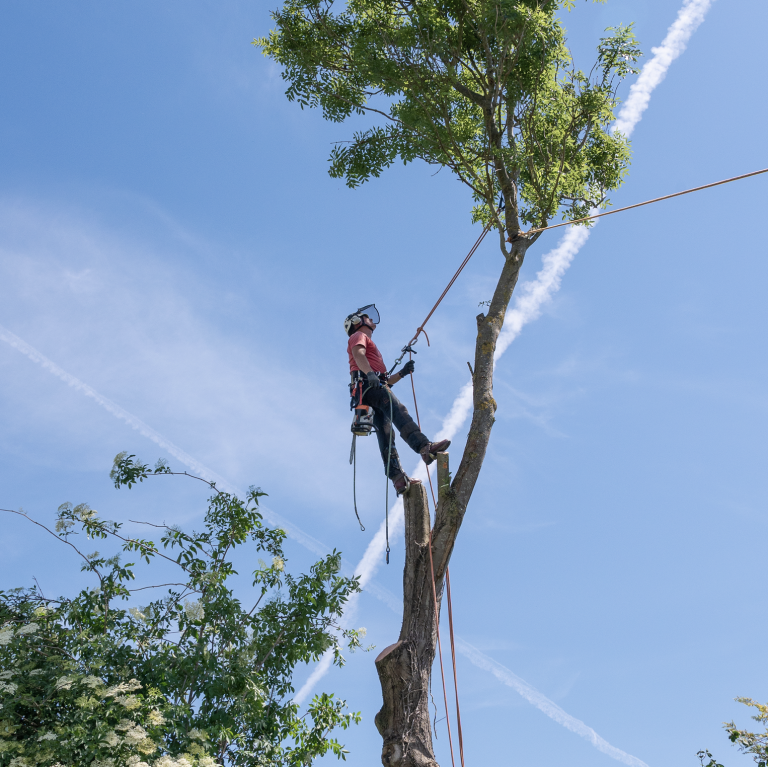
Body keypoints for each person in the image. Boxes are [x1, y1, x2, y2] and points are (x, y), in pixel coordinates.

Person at [345, 305, 450, 496]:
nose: (370, 320)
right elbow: (358, 355)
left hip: (369, 390)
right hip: (368, 386)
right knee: (398, 411)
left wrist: (402, 373)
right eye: (367, 317)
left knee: (386, 435)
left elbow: (385, 381)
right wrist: (369, 374)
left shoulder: (369, 347)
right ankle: (424, 447)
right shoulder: (358, 337)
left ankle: (397, 478)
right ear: (356, 322)